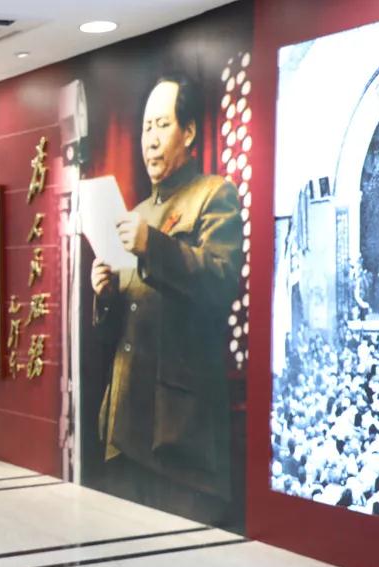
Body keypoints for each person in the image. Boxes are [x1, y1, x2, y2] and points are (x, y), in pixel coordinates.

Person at [90, 74, 242, 519]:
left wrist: (151, 246)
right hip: (125, 427)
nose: (150, 140)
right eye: (145, 129)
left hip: (179, 432)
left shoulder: (214, 195)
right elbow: (127, 320)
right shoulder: (136, 213)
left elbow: (219, 281)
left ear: (188, 132)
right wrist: (106, 295)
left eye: (161, 125)